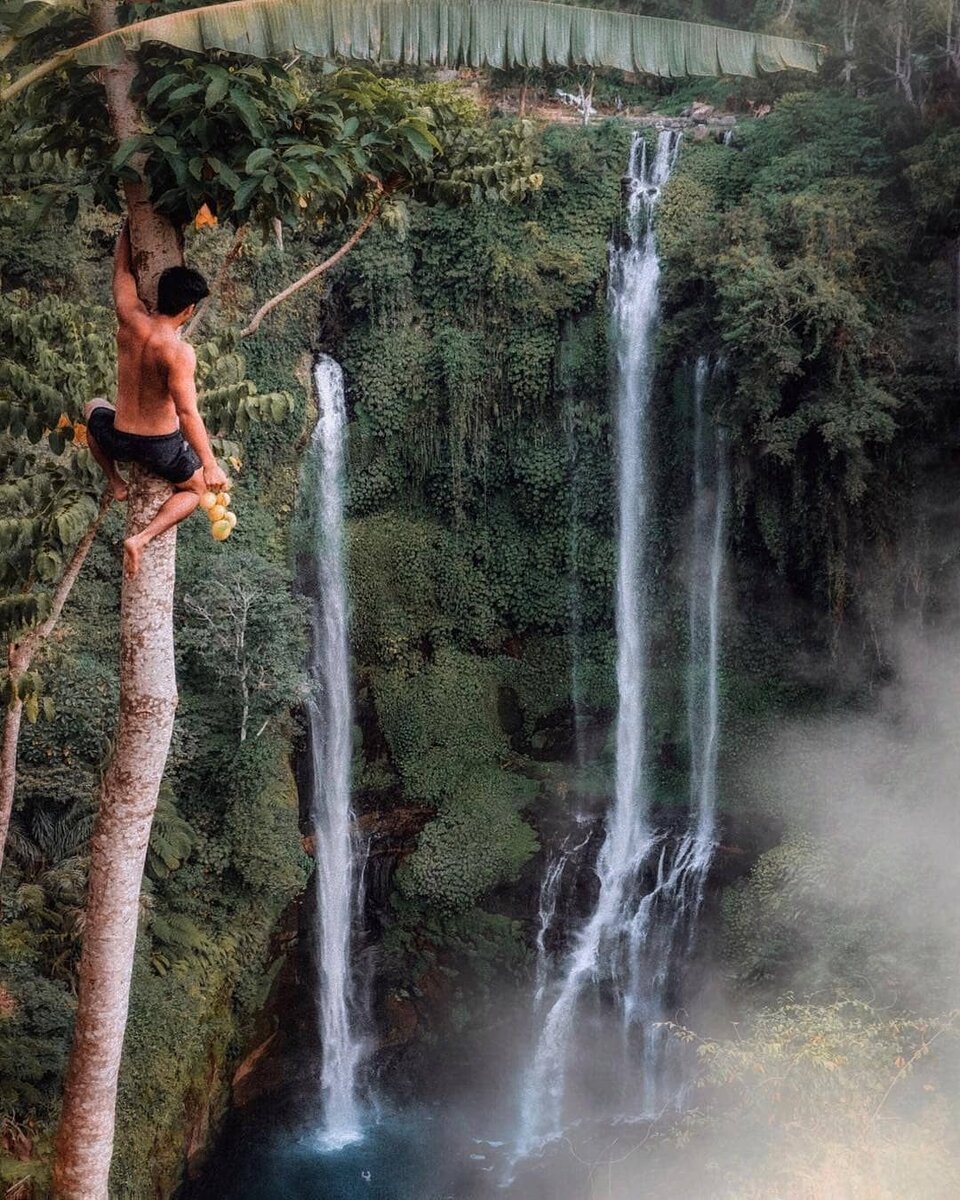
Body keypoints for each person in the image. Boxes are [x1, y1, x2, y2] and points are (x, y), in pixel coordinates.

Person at [84, 222, 229, 578]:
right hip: (159, 447)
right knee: (196, 491)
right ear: (189, 309)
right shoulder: (178, 352)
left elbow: (121, 270)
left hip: (118, 437)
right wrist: (209, 464)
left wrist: (128, 229)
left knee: (92, 409)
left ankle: (115, 481)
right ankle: (142, 538)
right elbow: (187, 412)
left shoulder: (129, 319)